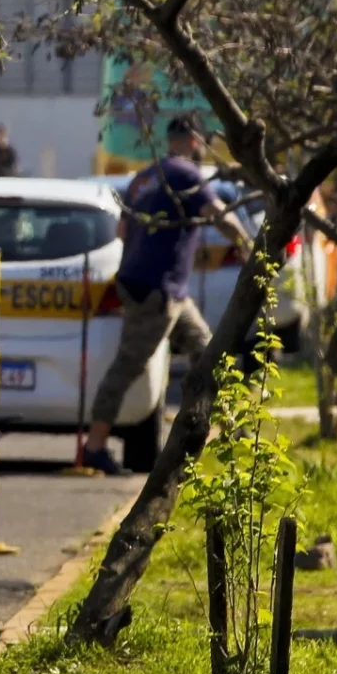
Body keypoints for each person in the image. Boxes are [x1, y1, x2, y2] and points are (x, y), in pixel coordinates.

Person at [80, 115, 249, 474]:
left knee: (208, 350)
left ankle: (237, 431)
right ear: (193, 141)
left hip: (158, 285)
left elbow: (124, 230)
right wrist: (248, 246)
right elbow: (217, 214)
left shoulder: (144, 176)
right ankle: (94, 446)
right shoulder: (186, 174)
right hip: (159, 289)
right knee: (128, 366)